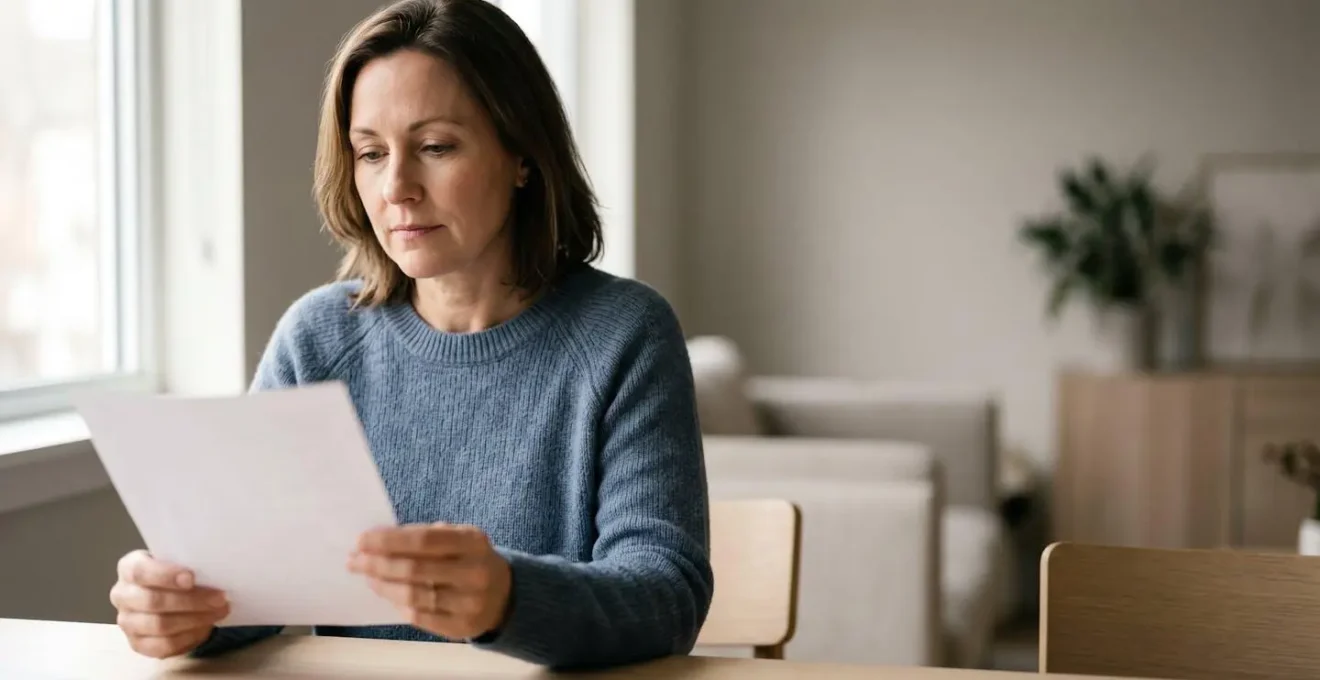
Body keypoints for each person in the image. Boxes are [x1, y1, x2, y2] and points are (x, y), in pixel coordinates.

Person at [105, 0, 713, 669]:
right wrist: (183, 611)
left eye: (435, 147)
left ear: (522, 156)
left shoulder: (624, 334)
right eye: (370, 153)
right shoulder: (317, 337)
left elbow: (667, 594)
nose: (396, 187)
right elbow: (252, 585)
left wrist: (508, 598)